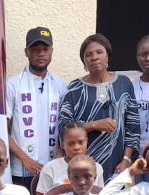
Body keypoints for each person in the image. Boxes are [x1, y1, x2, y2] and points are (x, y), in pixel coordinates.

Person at [58, 33, 140, 179]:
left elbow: (132, 126)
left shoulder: (124, 84)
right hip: (82, 166)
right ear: (84, 61)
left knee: (116, 193)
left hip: (118, 162)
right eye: (88, 54)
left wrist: (126, 160)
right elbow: (64, 128)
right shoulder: (74, 89)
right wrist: (94, 125)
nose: (94, 57)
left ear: (108, 56)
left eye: (99, 52)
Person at [5, 27, 67, 188]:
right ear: (26, 52)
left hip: (53, 166)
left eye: (45, 49)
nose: (41, 54)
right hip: (22, 168)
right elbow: (2, 129)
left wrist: (60, 154)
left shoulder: (60, 85)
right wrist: (25, 159)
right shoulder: (13, 84)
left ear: (52, 51)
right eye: (35, 49)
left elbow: (66, 125)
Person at [35, 121, 105, 195]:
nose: (76, 147)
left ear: (87, 142)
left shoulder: (96, 168)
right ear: (62, 144)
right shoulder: (50, 168)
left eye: (81, 142)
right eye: (71, 143)